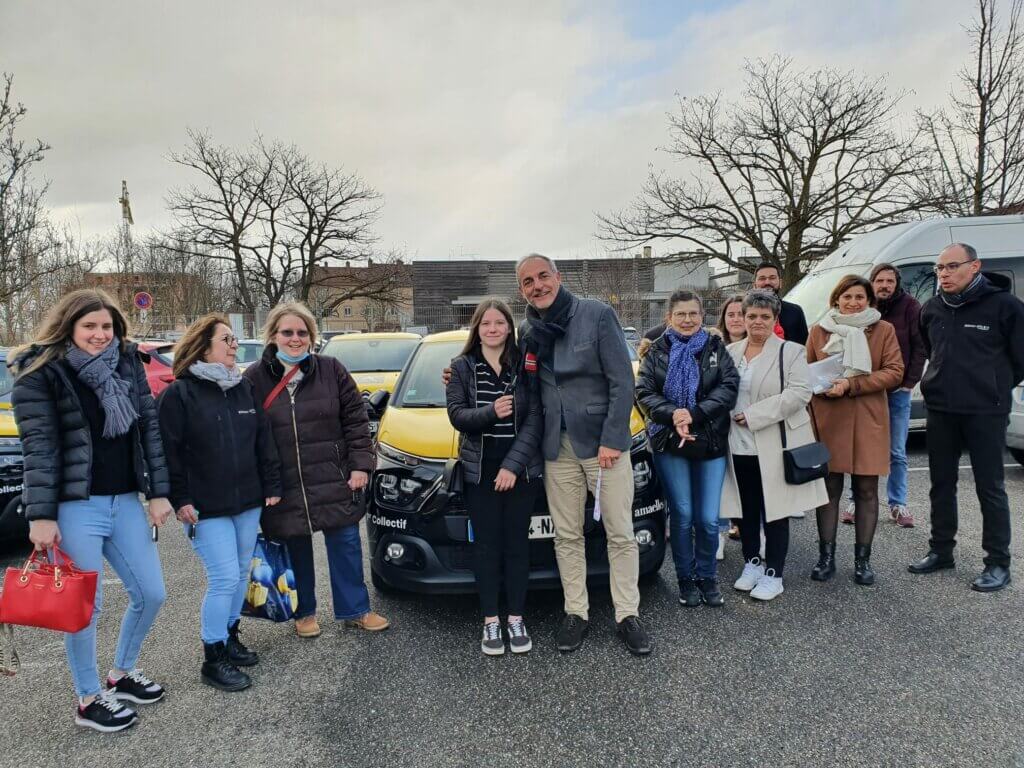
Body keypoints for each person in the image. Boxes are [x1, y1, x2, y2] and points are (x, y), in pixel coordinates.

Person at [10, 289, 173, 733]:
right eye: (90, 327)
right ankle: (87, 699)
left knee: (152, 592)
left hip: (124, 501)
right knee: (83, 608)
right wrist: (40, 516)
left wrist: (158, 492)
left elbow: (148, 432)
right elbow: (39, 449)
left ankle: (120, 673)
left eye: (107, 326)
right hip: (73, 506)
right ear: (69, 327)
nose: (100, 334)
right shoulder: (41, 373)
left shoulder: (127, 364)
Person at [516, 253, 650, 656]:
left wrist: (613, 437)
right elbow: (523, 381)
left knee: (620, 532)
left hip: (602, 446)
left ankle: (628, 614)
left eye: (543, 276)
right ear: (521, 289)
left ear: (558, 277)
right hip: (557, 448)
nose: (537, 285)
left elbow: (622, 381)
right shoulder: (529, 328)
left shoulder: (596, 314)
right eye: (527, 281)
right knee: (568, 534)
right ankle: (576, 611)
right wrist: (458, 372)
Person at [244, 302, 389, 638]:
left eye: (302, 332)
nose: (295, 339)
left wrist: (360, 466)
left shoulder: (331, 369)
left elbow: (355, 421)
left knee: (346, 544)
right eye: (287, 332)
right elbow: (246, 432)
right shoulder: (254, 378)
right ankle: (304, 612)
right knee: (294, 548)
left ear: (311, 335)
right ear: (273, 336)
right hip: (284, 483)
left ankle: (356, 609)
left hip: (333, 475)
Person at [158, 314, 283, 691]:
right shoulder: (179, 394)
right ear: (203, 345)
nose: (234, 345)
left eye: (234, 339)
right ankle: (213, 658)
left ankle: (229, 636)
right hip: (204, 507)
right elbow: (168, 453)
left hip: (247, 501)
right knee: (224, 577)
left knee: (241, 573)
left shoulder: (242, 388)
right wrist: (179, 498)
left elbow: (263, 439)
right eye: (226, 339)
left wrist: (272, 482)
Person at [909, 243, 1024, 592]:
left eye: (951, 266)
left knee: (990, 488)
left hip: (986, 412)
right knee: (941, 485)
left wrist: (994, 386)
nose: (943, 274)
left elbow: (1020, 360)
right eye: (939, 268)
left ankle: (997, 563)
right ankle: (941, 551)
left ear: (975, 267)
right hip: (942, 410)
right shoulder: (931, 308)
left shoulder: (1005, 307)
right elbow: (931, 350)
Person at [446, 299, 543, 655]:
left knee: (517, 545)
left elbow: (535, 419)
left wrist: (512, 467)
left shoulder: (524, 365)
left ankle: (516, 617)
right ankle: (490, 622)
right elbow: (456, 416)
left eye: (499, 323)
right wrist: (490, 412)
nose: (492, 329)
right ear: (477, 328)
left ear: (508, 327)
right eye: (485, 323)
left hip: (520, 470)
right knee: (486, 547)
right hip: (480, 470)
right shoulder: (461, 367)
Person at [720, 291, 828, 600]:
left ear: (774, 319)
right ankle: (752, 561)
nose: (757, 322)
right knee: (746, 508)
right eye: (751, 315)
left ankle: (774, 573)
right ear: (742, 317)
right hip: (737, 443)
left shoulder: (791, 351)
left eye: (764, 317)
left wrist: (754, 416)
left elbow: (799, 393)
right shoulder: (730, 351)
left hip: (773, 441)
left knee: (776, 510)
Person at [635, 290, 738, 608]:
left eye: (693, 313)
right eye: (681, 314)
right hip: (669, 441)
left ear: (701, 315)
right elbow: (644, 391)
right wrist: (673, 414)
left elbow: (729, 387)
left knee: (707, 519)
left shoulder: (716, 347)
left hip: (709, 441)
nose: (688, 319)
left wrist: (692, 415)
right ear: (669, 318)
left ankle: (707, 577)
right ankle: (685, 579)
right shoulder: (656, 352)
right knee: (681, 515)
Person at [807, 275, 903, 585]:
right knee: (829, 490)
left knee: (866, 490)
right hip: (828, 418)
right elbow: (805, 375)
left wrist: (852, 384)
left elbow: (894, 372)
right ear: (836, 299)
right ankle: (826, 557)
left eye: (859, 297)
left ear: (869, 300)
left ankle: (863, 561)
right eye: (847, 296)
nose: (853, 302)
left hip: (867, 417)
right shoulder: (819, 331)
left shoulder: (883, 330)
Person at [841, 264, 926, 529]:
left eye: (890, 281)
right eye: (880, 280)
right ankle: (856, 499)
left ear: (896, 283)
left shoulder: (910, 307)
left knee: (897, 451)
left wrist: (909, 382)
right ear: (872, 283)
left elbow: (920, 346)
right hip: (864, 393)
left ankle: (897, 504)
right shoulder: (862, 311)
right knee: (860, 448)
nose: (885, 285)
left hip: (896, 391)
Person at [716, 292, 747, 540]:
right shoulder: (713, 346)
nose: (736, 319)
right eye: (731, 314)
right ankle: (720, 531)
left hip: (748, 425)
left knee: (747, 484)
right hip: (717, 425)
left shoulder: (759, 349)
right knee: (720, 483)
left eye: (741, 314)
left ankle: (750, 529)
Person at [753, 263, 809, 344]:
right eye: (762, 278)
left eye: (772, 278)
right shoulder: (745, 313)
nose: (767, 282)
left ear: (780, 283)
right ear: (754, 285)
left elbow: (804, 347)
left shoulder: (795, 311)